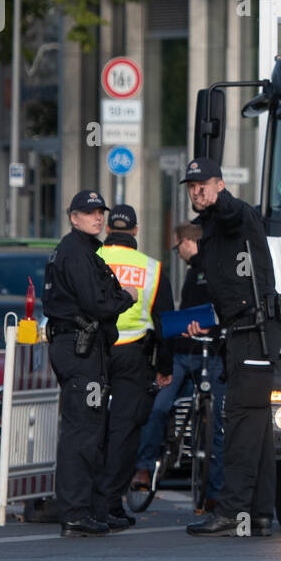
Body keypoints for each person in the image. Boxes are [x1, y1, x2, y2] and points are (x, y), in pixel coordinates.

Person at [182, 157, 281, 536]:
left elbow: (229, 211)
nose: (197, 191)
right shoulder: (210, 230)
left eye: (204, 185)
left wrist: (217, 199)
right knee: (256, 424)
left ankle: (231, 512)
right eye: (192, 187)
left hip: (255, 328)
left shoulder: (233, 212)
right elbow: (226, 288)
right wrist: (207, 323)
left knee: (241, 419)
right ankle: (258, 513)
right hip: (241, 329)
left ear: (220, 185)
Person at [43, 189, 138, 536]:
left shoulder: (82, 252)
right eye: (90, 212)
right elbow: (99, 303)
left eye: (101, 212)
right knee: (82, 432)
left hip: (83, 347)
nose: (98, 217)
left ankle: (89, 509)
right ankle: (75, 513)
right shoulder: (76, 254)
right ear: (73, 217)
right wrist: (127, 297)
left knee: (90, 430)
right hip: (79, 347)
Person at [133, 222, 227, 511]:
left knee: (208, 422)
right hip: (188, 352)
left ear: (188, 242)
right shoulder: (191, 274)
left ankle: (211, 489)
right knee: (164, 407)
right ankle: (147, 467)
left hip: (207, 353)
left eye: (178, 246)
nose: (178, 253)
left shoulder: (212, 270)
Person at [97, 204, 176, 525]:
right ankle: (111, 502)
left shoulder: (94, 260)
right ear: (135, 232)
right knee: (124, 430)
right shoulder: (152, 269)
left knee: (89, 425)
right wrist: (165, 367)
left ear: (107, 231)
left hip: (95, 352)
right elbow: (165, 323)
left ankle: (85, 499)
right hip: (133, 356)